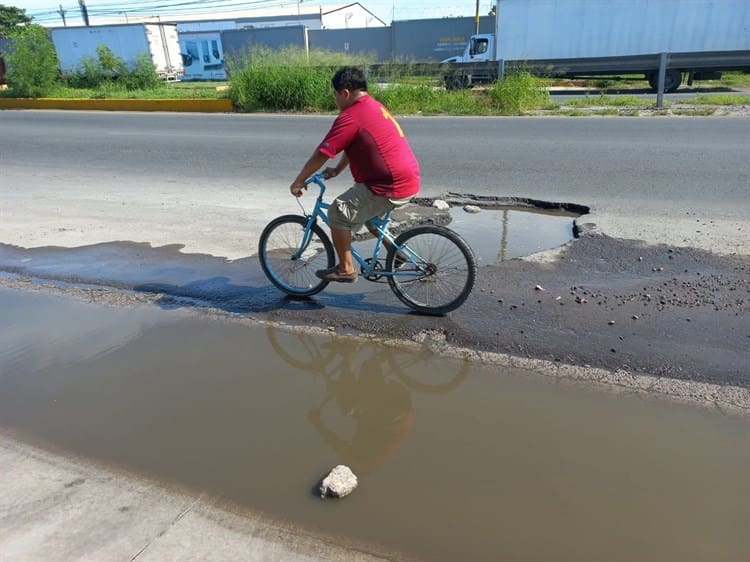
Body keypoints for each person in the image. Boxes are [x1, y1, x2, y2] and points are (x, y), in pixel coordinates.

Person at [289, 66, 420, 283]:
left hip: (388, 185)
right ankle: (397, 254)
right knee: (370, 220)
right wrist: (338, 170)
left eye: (335, 94)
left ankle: (346, 269)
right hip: (407, 178)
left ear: (345, 93)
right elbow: (357, 144)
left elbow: (323, 152)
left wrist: (299, 180)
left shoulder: (350, 116)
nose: (335, 100)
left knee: (337, 214)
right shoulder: (375, 106)